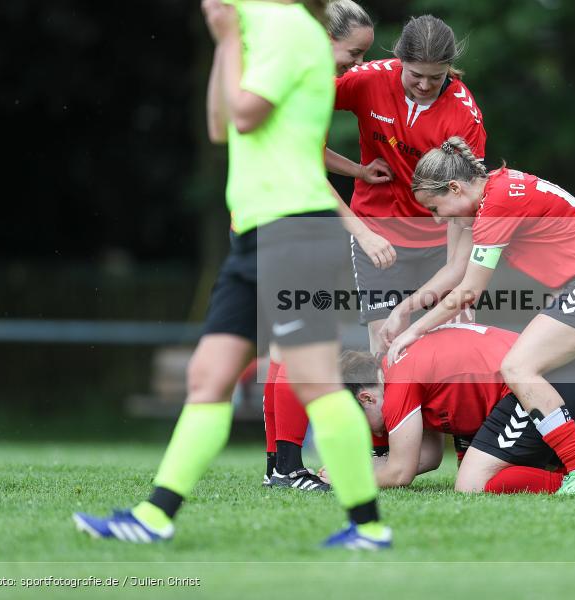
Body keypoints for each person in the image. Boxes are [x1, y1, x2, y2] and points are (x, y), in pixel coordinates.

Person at [73, 0, 390, 550]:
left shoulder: (291, 28)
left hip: (295, 228)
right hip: (255, 233)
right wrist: (225, 41)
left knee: (314, 381)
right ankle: (155, 517)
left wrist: (225, 39)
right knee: (208, 376)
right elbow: (220, 126)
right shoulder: (253, 26)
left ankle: (368, 527)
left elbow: (245, 113)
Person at [262, 13, 488, 488]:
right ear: (397, 61)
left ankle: (467, 447)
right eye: (415, 75)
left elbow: (469, 201)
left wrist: (460, 272)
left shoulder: (464, 114)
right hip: (377, 235)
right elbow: (299, 113)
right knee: (385, 345)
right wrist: (355, 172)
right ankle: (381, 454)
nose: (425, 86)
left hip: (438, 238)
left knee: (449, 344)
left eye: (436, 77)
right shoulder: (367, 79)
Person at [383, 137, 575, 495]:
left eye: (436, 207)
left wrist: (415, 331)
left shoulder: (496, 205)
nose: (440, 219)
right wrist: (404, 310)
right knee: (564, 378)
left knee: (517, 367)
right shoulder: (497, 191)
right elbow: (458, 270)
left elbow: (469, 291)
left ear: (454, 187)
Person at [258, 0, 385, 491]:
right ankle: (290, 468)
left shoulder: (287, 71)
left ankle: (277, 466)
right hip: (285, 219)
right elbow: (305, 165)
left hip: (259, 216)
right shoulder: (305, 76)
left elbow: (308, 146)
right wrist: (362, 229)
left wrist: (356, 170)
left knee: (281, 347)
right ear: (324, 36)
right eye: (351, 54)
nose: (355, 67)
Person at [333, 323, 575, 493]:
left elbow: (400, 472)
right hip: (568, 382)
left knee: (471, 483)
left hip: (543, 391)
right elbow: (427, 457)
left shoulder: (398, 382)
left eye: (365, 423)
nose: (376, 433)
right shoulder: (405, 363)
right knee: (473, 466)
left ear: (366, 397)